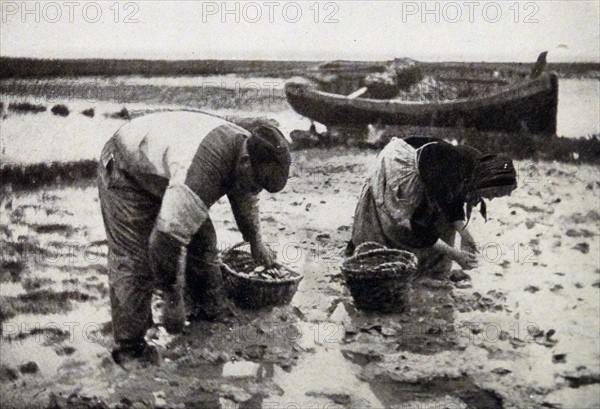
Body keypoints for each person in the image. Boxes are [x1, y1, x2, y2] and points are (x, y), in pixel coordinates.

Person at [97, 111, 291, 363]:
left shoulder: (250, 149)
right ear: (245, 162)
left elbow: (245, 197)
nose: (257, 191)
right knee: (136, 261)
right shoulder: (205, 170)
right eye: (258, 184)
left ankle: (207, 312)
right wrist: (172, 298)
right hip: (126, 167)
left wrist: (256, 242)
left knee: (203, 242)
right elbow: (165, 241)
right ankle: (131, 348)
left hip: (167, 168)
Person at [348, 136, 517, 278]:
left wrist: (465, 235)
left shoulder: (475, 167)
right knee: (400, 223)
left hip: (430, 171)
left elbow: (452, 202)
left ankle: (429, 272)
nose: (491, 198)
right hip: (402, 165)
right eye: (494, 194)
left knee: (442, 223)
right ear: (487, 182)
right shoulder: (450, 169)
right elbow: (417, 226)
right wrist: (454, 254)